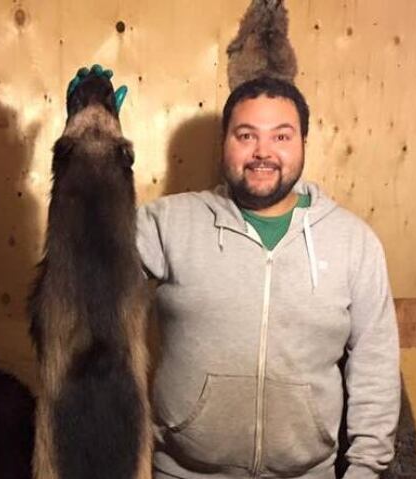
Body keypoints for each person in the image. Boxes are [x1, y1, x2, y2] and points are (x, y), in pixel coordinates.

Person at [135, 76, 400, 479]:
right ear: (224, 142)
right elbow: (85, 271)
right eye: (246, 135)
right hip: (183, 473)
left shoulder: (353, 242)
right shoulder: (167, 223)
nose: (263, 152)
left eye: (281, 136)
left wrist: (364, 469)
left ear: (304, 144)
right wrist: (84, 158)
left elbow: (375, 364)